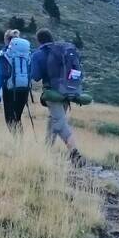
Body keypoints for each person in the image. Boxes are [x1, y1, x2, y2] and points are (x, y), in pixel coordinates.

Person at [28, 29, 85, 165]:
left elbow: (35, 76)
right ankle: (46, 151)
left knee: (59, 123)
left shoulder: (39, 54)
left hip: (53, 93)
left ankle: (75, 153)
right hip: (68, 91)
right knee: (54, 120)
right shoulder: (62, 51)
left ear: (39, 40)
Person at [0, 30, 33, 133]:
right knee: (17, 117)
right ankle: (20, 143)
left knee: (9, 119)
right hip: (24, 89)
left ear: (6, 40)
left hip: (9, 90)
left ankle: (17, 143)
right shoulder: (26, 54)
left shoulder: (5, 55)